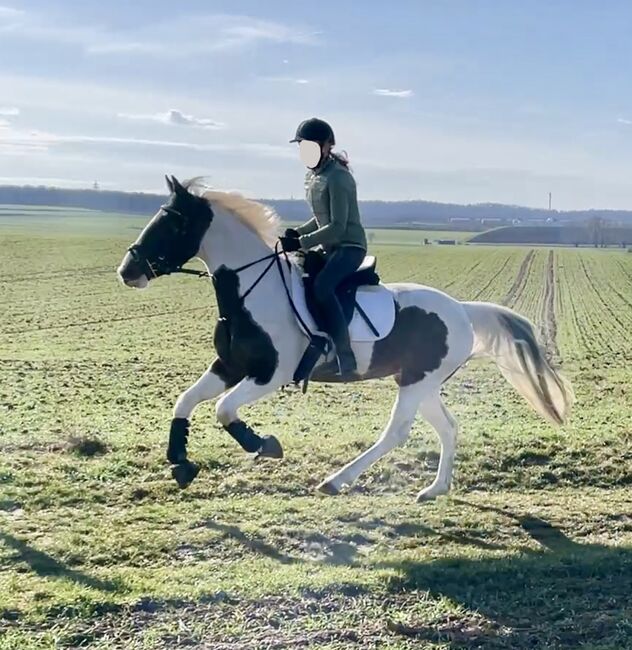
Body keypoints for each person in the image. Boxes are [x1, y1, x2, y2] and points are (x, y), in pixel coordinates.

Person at [280, 117, 368, 376]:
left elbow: (337, 227)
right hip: (329, 247)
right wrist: (298, 231)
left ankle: (345, 356)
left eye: (310, 147)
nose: (305, 153)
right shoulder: (314, 176)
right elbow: (320, 218)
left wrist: (301, 242)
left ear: (327, 146)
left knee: (322, 287)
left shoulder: (338, 178)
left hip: (349, 247)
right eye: (302, 147)